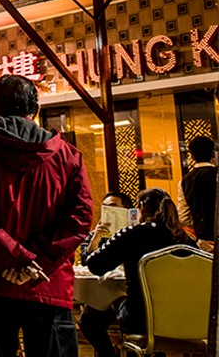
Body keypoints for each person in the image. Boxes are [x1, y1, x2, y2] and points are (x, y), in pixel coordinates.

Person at [0, 74, 92, 357]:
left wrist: (15, 259)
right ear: (35, 109)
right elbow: (80, 217)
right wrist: (35, 262)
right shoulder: (67, 156)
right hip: (48, 282)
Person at [79, 188, 195, 357]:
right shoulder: (187, 240)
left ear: (140, 208)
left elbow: (95, 265)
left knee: (92, 314)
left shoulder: (133, 235)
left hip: (141, 319)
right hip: (186, 317)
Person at [179, 136, 216, 245]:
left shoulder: (185, 181)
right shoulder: (216, 175)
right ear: (213, 154)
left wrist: (199, 226)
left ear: (192, 156)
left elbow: (183, 217)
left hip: (204, 239)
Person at [80, 191, 134, 256]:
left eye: (112, 206)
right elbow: (85, 259)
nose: (107, 211)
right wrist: (96, 238)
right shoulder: (93, 235)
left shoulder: (136, 233)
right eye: (104, 207)